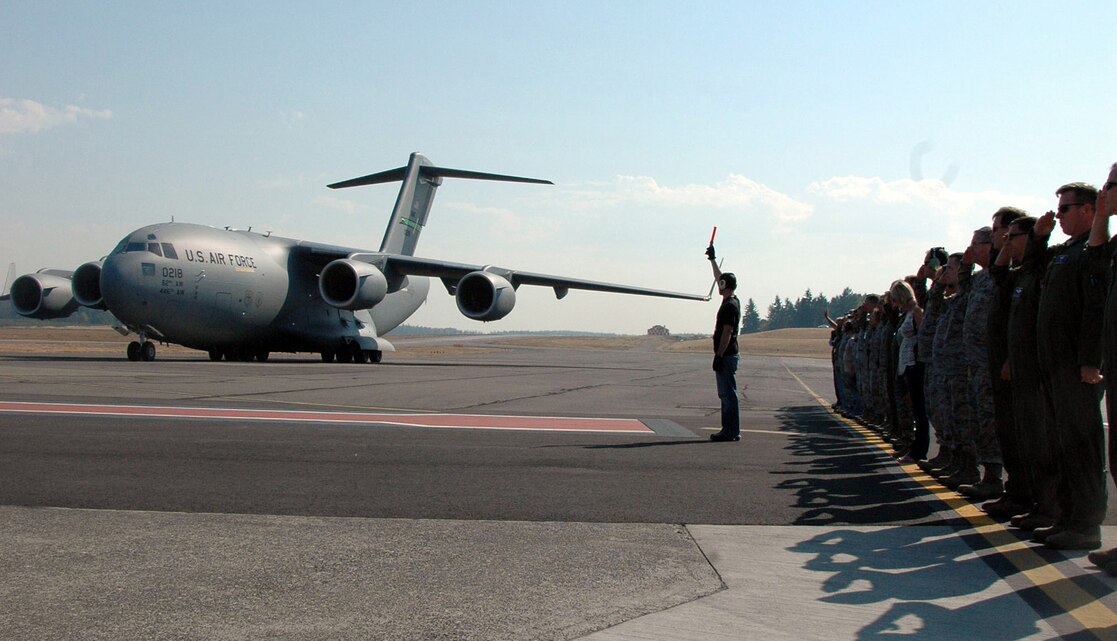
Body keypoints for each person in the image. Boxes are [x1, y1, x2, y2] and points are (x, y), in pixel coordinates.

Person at [1032, 183, 1105, 551]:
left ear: (1089, 210)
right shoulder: (1066, 252)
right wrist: (1039, 240)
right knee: (1062, 445)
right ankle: (1068, 517)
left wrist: (1091, 360)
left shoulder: (1093, 252)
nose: (1057, 215)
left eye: (1064, 210)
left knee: (1081, 447)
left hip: (1076, 368)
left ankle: (1086, 524)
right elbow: (1029, 276)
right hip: (1056, 365)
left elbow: (1095, 308)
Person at [706, 243, 741, 442]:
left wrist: (719, 355)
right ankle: (730, 430)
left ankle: (730, 431)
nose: (718, 284)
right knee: (727, 394)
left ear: (724, 286)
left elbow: (727, 332)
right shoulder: (732, 300)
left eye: (721, 283)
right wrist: (712, 260)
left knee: (727, 394)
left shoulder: (729, 306)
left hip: (726, 355)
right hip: (729, 354)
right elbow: (719, 278)